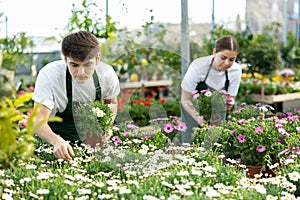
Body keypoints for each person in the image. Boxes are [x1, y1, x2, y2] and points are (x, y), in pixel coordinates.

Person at [32, 31, 120, 160]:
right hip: (50, 142)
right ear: (65, 59)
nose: (81, 72)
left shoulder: (106, 75)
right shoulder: (49, 75)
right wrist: (56, 141)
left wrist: (106, 127)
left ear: (97, 59)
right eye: (74, 65)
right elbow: (38, 121)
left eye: (87, 65)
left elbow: (111, 103)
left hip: (89, 144)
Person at [180, 36, 242, 143]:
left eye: (232, 59)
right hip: (192, 112)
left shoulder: (236, 70)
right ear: (214, 52)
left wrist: (229, 104)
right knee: (190, 146)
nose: (227, 63)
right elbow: (185, 100)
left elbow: (230, 98)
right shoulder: (198, 67)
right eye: (223, 57)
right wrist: (198, 117)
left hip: (217, 114)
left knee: (217, 147)